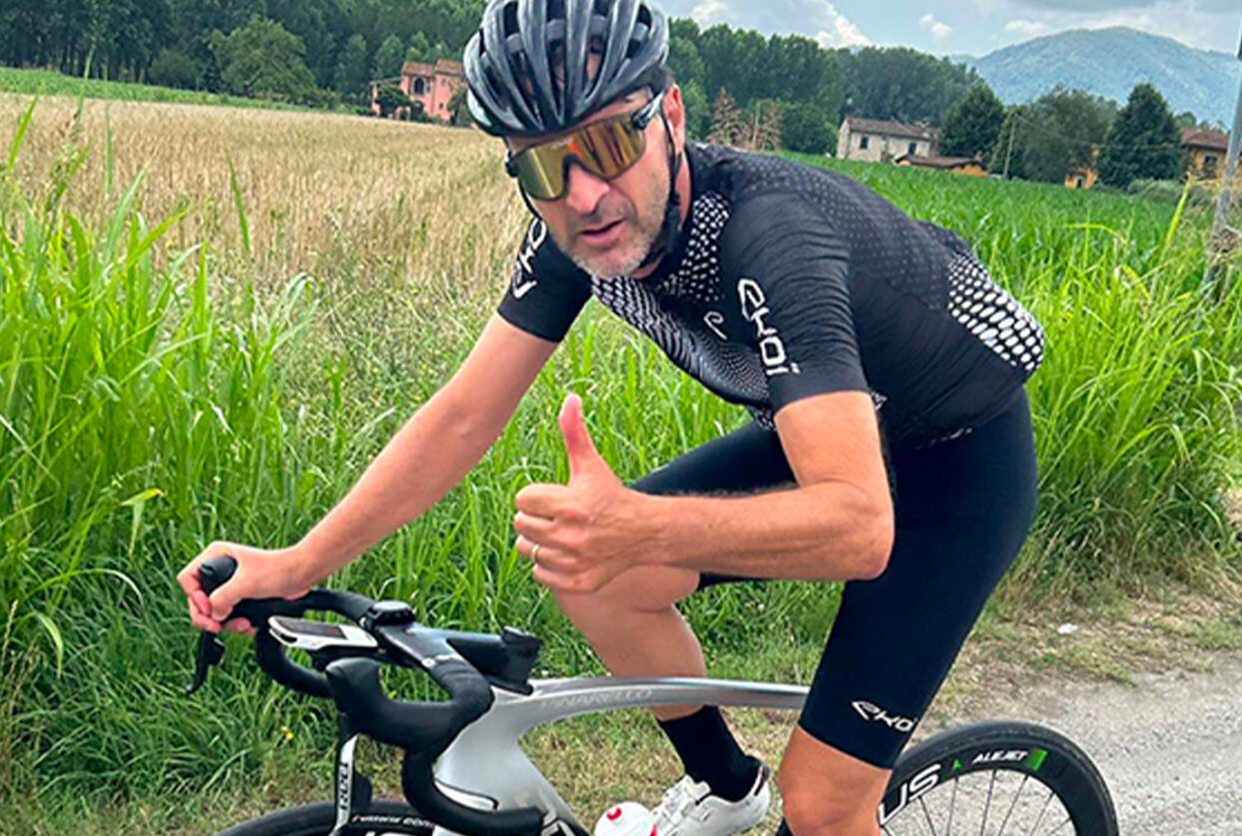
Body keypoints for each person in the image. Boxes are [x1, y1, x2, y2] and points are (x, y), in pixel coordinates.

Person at [177, 1, 1045, 833]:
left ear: (671, 116)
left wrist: (639, 524)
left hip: (956, 463)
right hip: (823, 431)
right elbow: (463, 415)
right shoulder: (572, 239)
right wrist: (300, 561)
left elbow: (859, 528)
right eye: (543, 166)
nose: (585, 194)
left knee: (822, 808)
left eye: (608, 143)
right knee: (589, 570)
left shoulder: (772, 240)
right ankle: (725, 784)